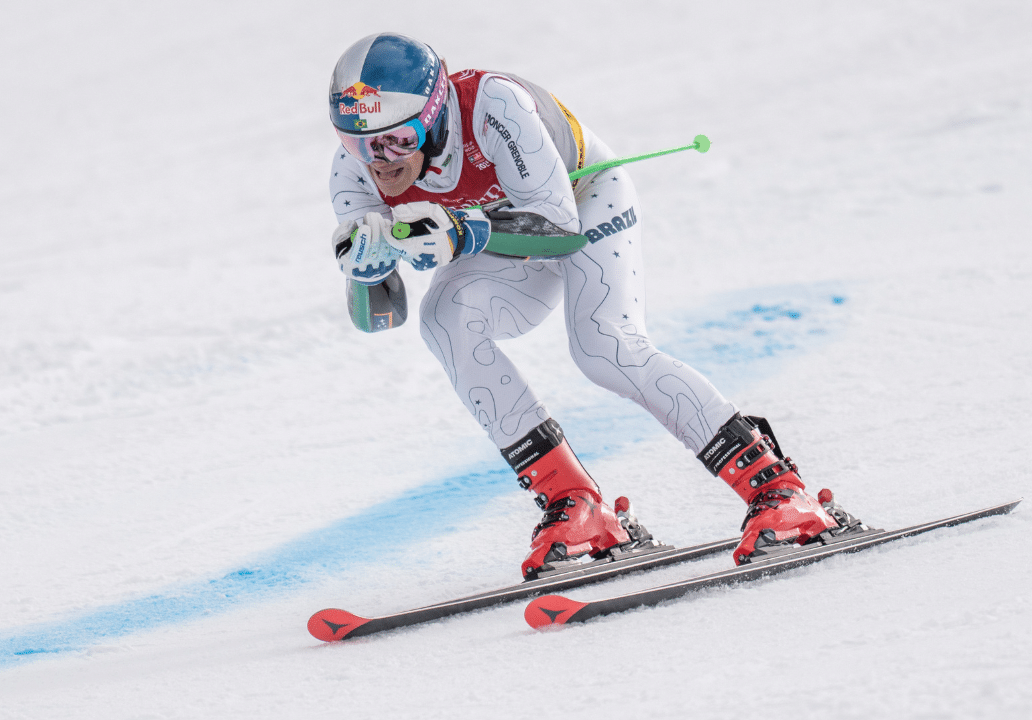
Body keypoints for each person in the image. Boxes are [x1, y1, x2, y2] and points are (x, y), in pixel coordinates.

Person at [327, 32, 854, 580]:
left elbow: (560, 228)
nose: (379, 162)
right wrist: (365, 272)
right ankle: (576, 504)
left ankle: (778, 488)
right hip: (506, 234)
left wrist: (463, 232)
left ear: (435, 116)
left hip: (584, 201)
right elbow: (381, 317)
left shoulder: (492, 106)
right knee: (444, 320)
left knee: (605, 347)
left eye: (398, 140)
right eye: (358, 143)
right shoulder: (352, 173)